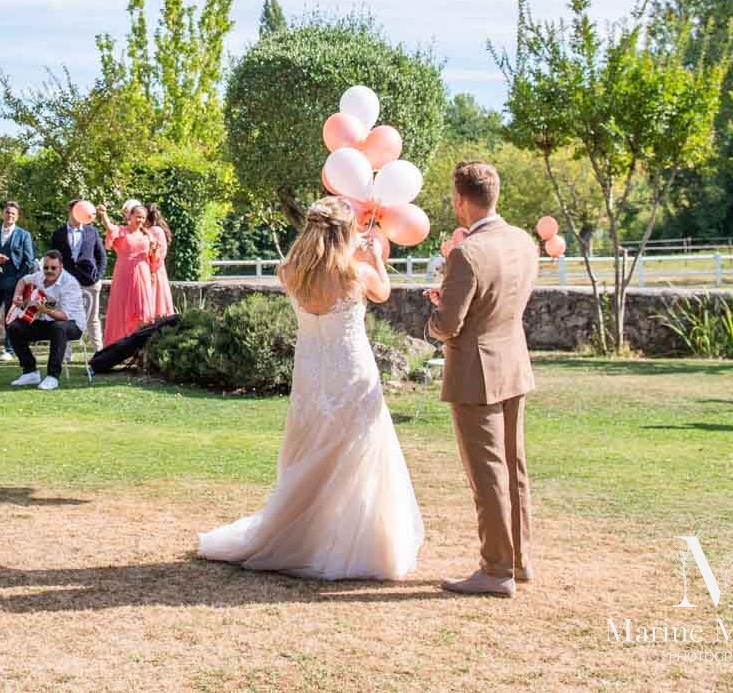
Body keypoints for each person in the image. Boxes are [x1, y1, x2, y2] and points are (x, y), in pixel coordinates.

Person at [198, 196, 423, 580]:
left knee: (313, 445)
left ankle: (304, 533)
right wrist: (375, 258)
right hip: (350, 370)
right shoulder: (355, 273)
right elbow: (383, 291)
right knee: (357, 449)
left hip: (310, 372)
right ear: (345, 232)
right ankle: (353, 539)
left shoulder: (290, 270)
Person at [426, 162, 539, 598]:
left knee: (488, 473)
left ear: (459, 200)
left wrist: (434, 314)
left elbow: (449, 324)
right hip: (513, 361)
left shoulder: (466, 253)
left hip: (476, 371)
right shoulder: (522, 241)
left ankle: (495, 570)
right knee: (513, 466)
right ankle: (520, 559)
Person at [6, 251, 86, 391]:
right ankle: (30, 371)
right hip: (48, 320)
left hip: (73, 324)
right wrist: (17, 295)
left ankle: (52, 376)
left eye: (53, 268)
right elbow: (23, 280)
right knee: (14, 328)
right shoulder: (40, 276)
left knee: (58, 327)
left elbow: (65, 316)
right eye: (46, 267)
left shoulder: (69, 283)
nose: (49, 271)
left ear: (60, 267)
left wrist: (45, 310)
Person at [0, 201, 35, 361]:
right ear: (3, 214)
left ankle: (9, 350)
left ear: (17, 217)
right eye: (7, 212)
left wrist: (19, 281)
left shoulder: (24, 235)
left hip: (14, 282)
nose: (9, 215)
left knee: (10, 316)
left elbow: (29, 261)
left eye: (13, 213)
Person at [98, 200, 156, 347]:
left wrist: (153, 252)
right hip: (124, 274)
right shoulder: (121, 231)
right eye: (138, 216)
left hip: (143, 273)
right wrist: (104, 215)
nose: (140, 220)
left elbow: (152, 257)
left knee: (143, 310)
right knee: (122, 309)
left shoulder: (148, 235)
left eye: (143, 217)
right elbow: (110, 228)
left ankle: (141, 347)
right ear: (129, 216)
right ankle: (119, 347)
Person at [50, 201, 107, 352]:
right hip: (67, 282)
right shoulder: (58, 234)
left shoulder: (92, 232)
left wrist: (98, 275)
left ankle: (98, 352)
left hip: (89, 281)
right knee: (65, 317)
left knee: (92, 319)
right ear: (71, 211)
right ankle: (65, 354)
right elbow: (53, 258)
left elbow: (101, 256)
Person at [147, 203, 176, 318]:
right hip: (156, 270)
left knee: (156, 305)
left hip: (154, 271)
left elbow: (159, 255)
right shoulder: (155, 230)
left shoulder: (154, 230)